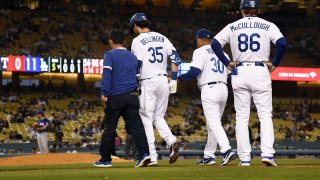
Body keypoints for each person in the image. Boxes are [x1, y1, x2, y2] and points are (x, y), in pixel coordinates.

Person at [211, 0, 287, 167]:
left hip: (240, 70)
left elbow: (215, 43)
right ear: (258, 10)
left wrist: (227, 62)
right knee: (265, 115)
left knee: (242, 117)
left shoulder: (233, 26)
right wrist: (275, 63)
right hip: (260, 70)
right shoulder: (267, 25)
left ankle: (244, 158)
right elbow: (282, 43)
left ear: (241, 10)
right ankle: (267, 154)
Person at [130, 13, 182, 166]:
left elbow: (137, 64)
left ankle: (152, 156)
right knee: (158, 117)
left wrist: (135, 83)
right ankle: (172, 140)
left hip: (148, 81)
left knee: (146, 118)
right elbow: (176, 58)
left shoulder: (137, 40)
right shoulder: (162, 37)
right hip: (163, 80)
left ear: (135, 25)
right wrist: (173, 80)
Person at [179, 29, 237, 166]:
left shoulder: (200, 51)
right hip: (223, 88)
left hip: (210, 89)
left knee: (213, 123)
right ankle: (209, 155)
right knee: (213, 123)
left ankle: (227, 150)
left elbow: (195, 71)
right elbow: (230, 73)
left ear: (199, 39)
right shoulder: (223, 52)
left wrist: (180, 78)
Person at [93, 29, 150, 168]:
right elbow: (137, 77)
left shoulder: (109, 55)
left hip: (116, 96)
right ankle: (144, 154)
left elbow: (107, 74)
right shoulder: (132, 57)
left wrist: (104, 92)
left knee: (109, 128)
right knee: (137, 127)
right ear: (124, 41)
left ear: (110, 41)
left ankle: (105, 159)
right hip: (132, 96)